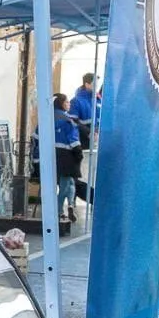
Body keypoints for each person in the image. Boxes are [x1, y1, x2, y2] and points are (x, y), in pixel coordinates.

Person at [52, 93, 83, 222]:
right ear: (61, 103)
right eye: (67, 102)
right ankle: (61, 209)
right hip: (68, 155)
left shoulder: (49, 117)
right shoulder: (67, 119)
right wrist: (78, 152)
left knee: (68, 183)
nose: (69, 104)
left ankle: (68, 206)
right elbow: (73, 138)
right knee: (68, 184)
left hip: (56, 155)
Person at [71, 73, 97, 150]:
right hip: (82, 143)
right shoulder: (76, 101)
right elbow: (73, 121)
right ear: (87, 84)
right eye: (94, 84)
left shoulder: (96, 100)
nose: (97, 86)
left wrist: (96, 131)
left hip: (94, 141)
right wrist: (89, 132)